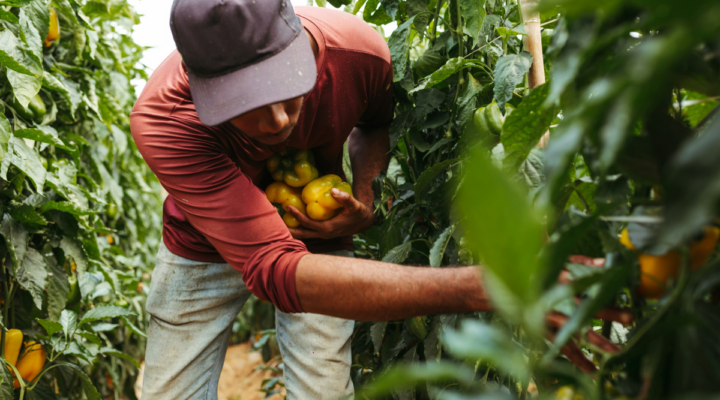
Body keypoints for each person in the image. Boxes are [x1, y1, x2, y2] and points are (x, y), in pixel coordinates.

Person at [130, 1, 625, 399]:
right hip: (204, 242)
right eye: (247, 107)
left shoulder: (358, 54)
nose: (279, 121)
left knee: (322, 388)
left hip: (318, 236)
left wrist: (365, 195)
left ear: (298, 42)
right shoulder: (165, 116)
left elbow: (373, 124)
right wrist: (481, 285)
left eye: (284, 88)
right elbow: (271, 266)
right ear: (203, 92)